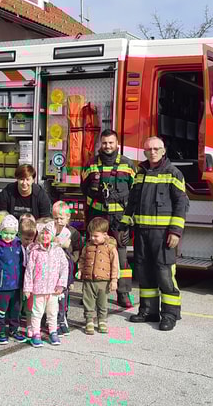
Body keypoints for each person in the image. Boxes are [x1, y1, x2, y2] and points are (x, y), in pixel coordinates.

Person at [120, 136, 189, 331]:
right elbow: (132, 202)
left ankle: (170, 314)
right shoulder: (140, 173)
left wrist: (176, 231)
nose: (153, 152)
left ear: (163, 150)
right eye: (149, 149)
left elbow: (181, 204)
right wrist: (124, 225)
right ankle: (149, 311)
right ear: (144, 152)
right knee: (144, 272)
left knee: (165, 274)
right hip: (142, 233)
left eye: (156, 148)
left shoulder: (173, 173)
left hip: (163, 235)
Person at [81, 130, 136, 309]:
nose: (108, 146)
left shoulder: (128, 165)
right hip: (97, 218)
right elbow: (84, 189)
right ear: (100, 144)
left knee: (121, 256)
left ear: (117, 144)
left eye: (111, 143)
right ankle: (90, 293)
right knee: (92, 255)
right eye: (104, 143)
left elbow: (135, 195)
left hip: (119, 220)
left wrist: (130, 222)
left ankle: (123, 293)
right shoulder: (90, 164)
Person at [23, 221, 69, 348]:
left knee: (52, 312)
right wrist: (27, 288)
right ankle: (36, 333)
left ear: (53, 235)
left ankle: (53, 332)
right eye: (42, 233)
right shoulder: (35, 251)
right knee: (37, 312)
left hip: (53, 289)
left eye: (48, 233)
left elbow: (64, 268)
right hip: (38, 289)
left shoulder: (58, 251)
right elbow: (29, 271)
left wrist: (61, 284)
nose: (45, 236)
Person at [0, 215, 26, 344]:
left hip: (16, 283)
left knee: (15, 309)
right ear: (0, 231)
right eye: (6, 233)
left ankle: (14, 330)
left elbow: (22, 262)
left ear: (16, 233)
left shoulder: (18, 244)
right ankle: (0, 331)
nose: (8, 236)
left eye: (12, 234)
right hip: (2, 284)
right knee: (1, 309)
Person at [78, 217, 119, 335]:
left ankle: (102, 320)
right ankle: (89, 321)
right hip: (88, 280)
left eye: (96, 236)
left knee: (102, 302)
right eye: (91, 236)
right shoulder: (87, 247)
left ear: (105, 235)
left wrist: (114, 280)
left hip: (103, 281)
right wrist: (80, 270)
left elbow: (115, 265)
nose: (92, 238)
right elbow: (82, 259)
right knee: (88, 301)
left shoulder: (110, 248)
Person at [51, 201, 83, 336]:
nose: (59, 221)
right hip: (52, 268)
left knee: (65, 293)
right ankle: (52, 318)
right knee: (53, 293)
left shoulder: (73, 232)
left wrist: (72, 260)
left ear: (68, 218)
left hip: (67, 267)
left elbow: (78, 248)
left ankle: (63, 316)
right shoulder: (49, 230)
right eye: (56, 218)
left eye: (61, 218)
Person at [17, 218, 37, 336]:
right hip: (19, 277)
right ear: (19, 235)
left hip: (30, 279)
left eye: (31, 239)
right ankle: (16, 321)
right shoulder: (17, 246)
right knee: (18, 301)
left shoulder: (34, 248)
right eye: (26, 239)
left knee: (30, 303)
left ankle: (29, 323)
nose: (28, 241)